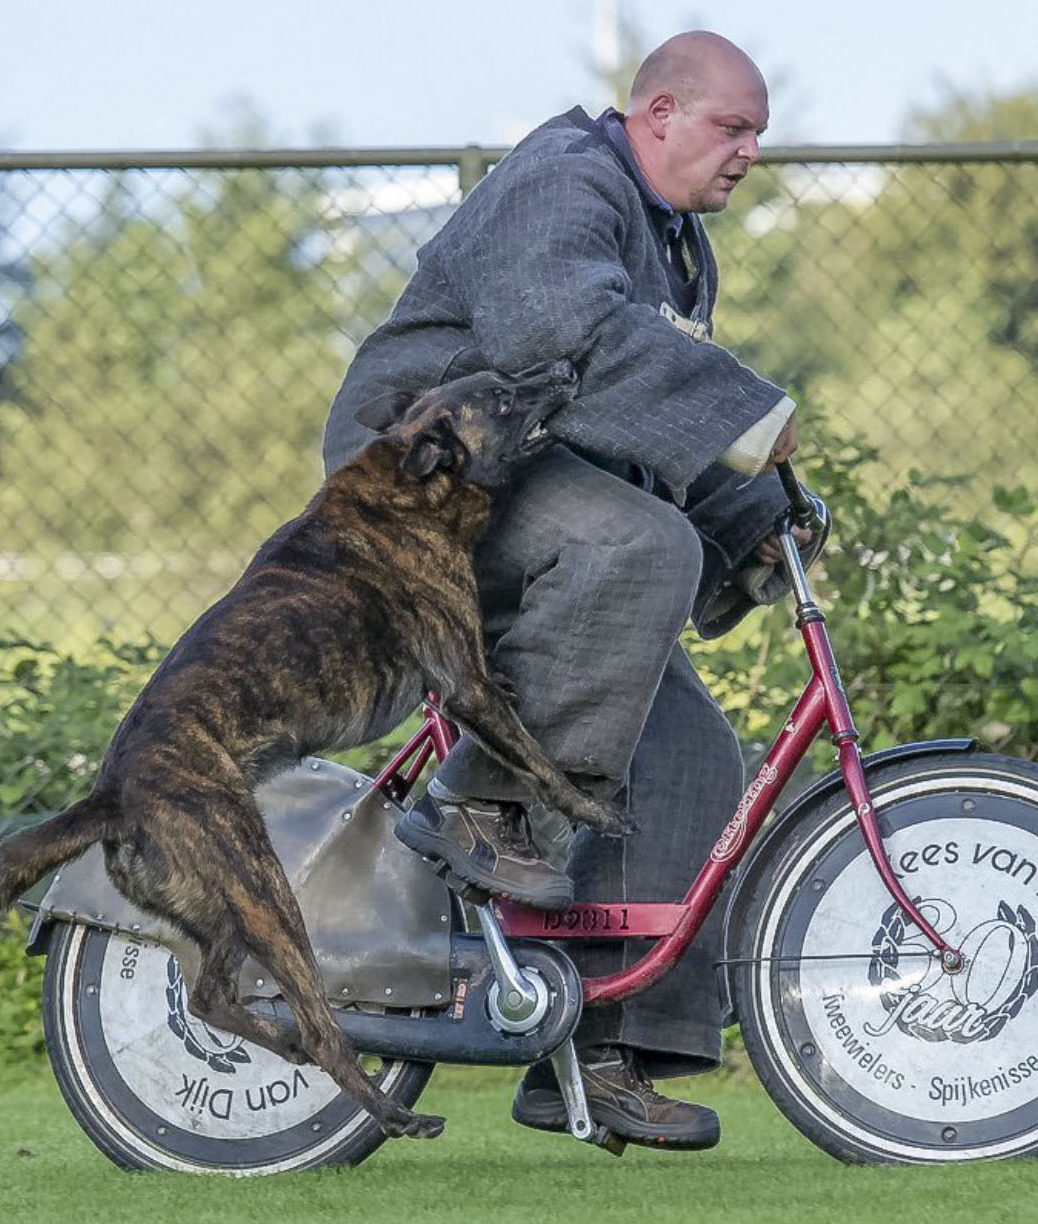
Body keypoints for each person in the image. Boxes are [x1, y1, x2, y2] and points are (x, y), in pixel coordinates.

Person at [321, 30, 825, 1151]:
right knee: (638, 549)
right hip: (422, 473)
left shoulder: (677, 241)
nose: (749, 152)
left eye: (758, 135)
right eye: (731, 127)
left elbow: (639, 436)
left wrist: (759, 516)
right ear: (655, 113)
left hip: (531, 482)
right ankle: (482, 800)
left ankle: (593, 1050)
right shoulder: (563, 182)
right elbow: (561, 337)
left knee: (692, 751)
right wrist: (745, 414)